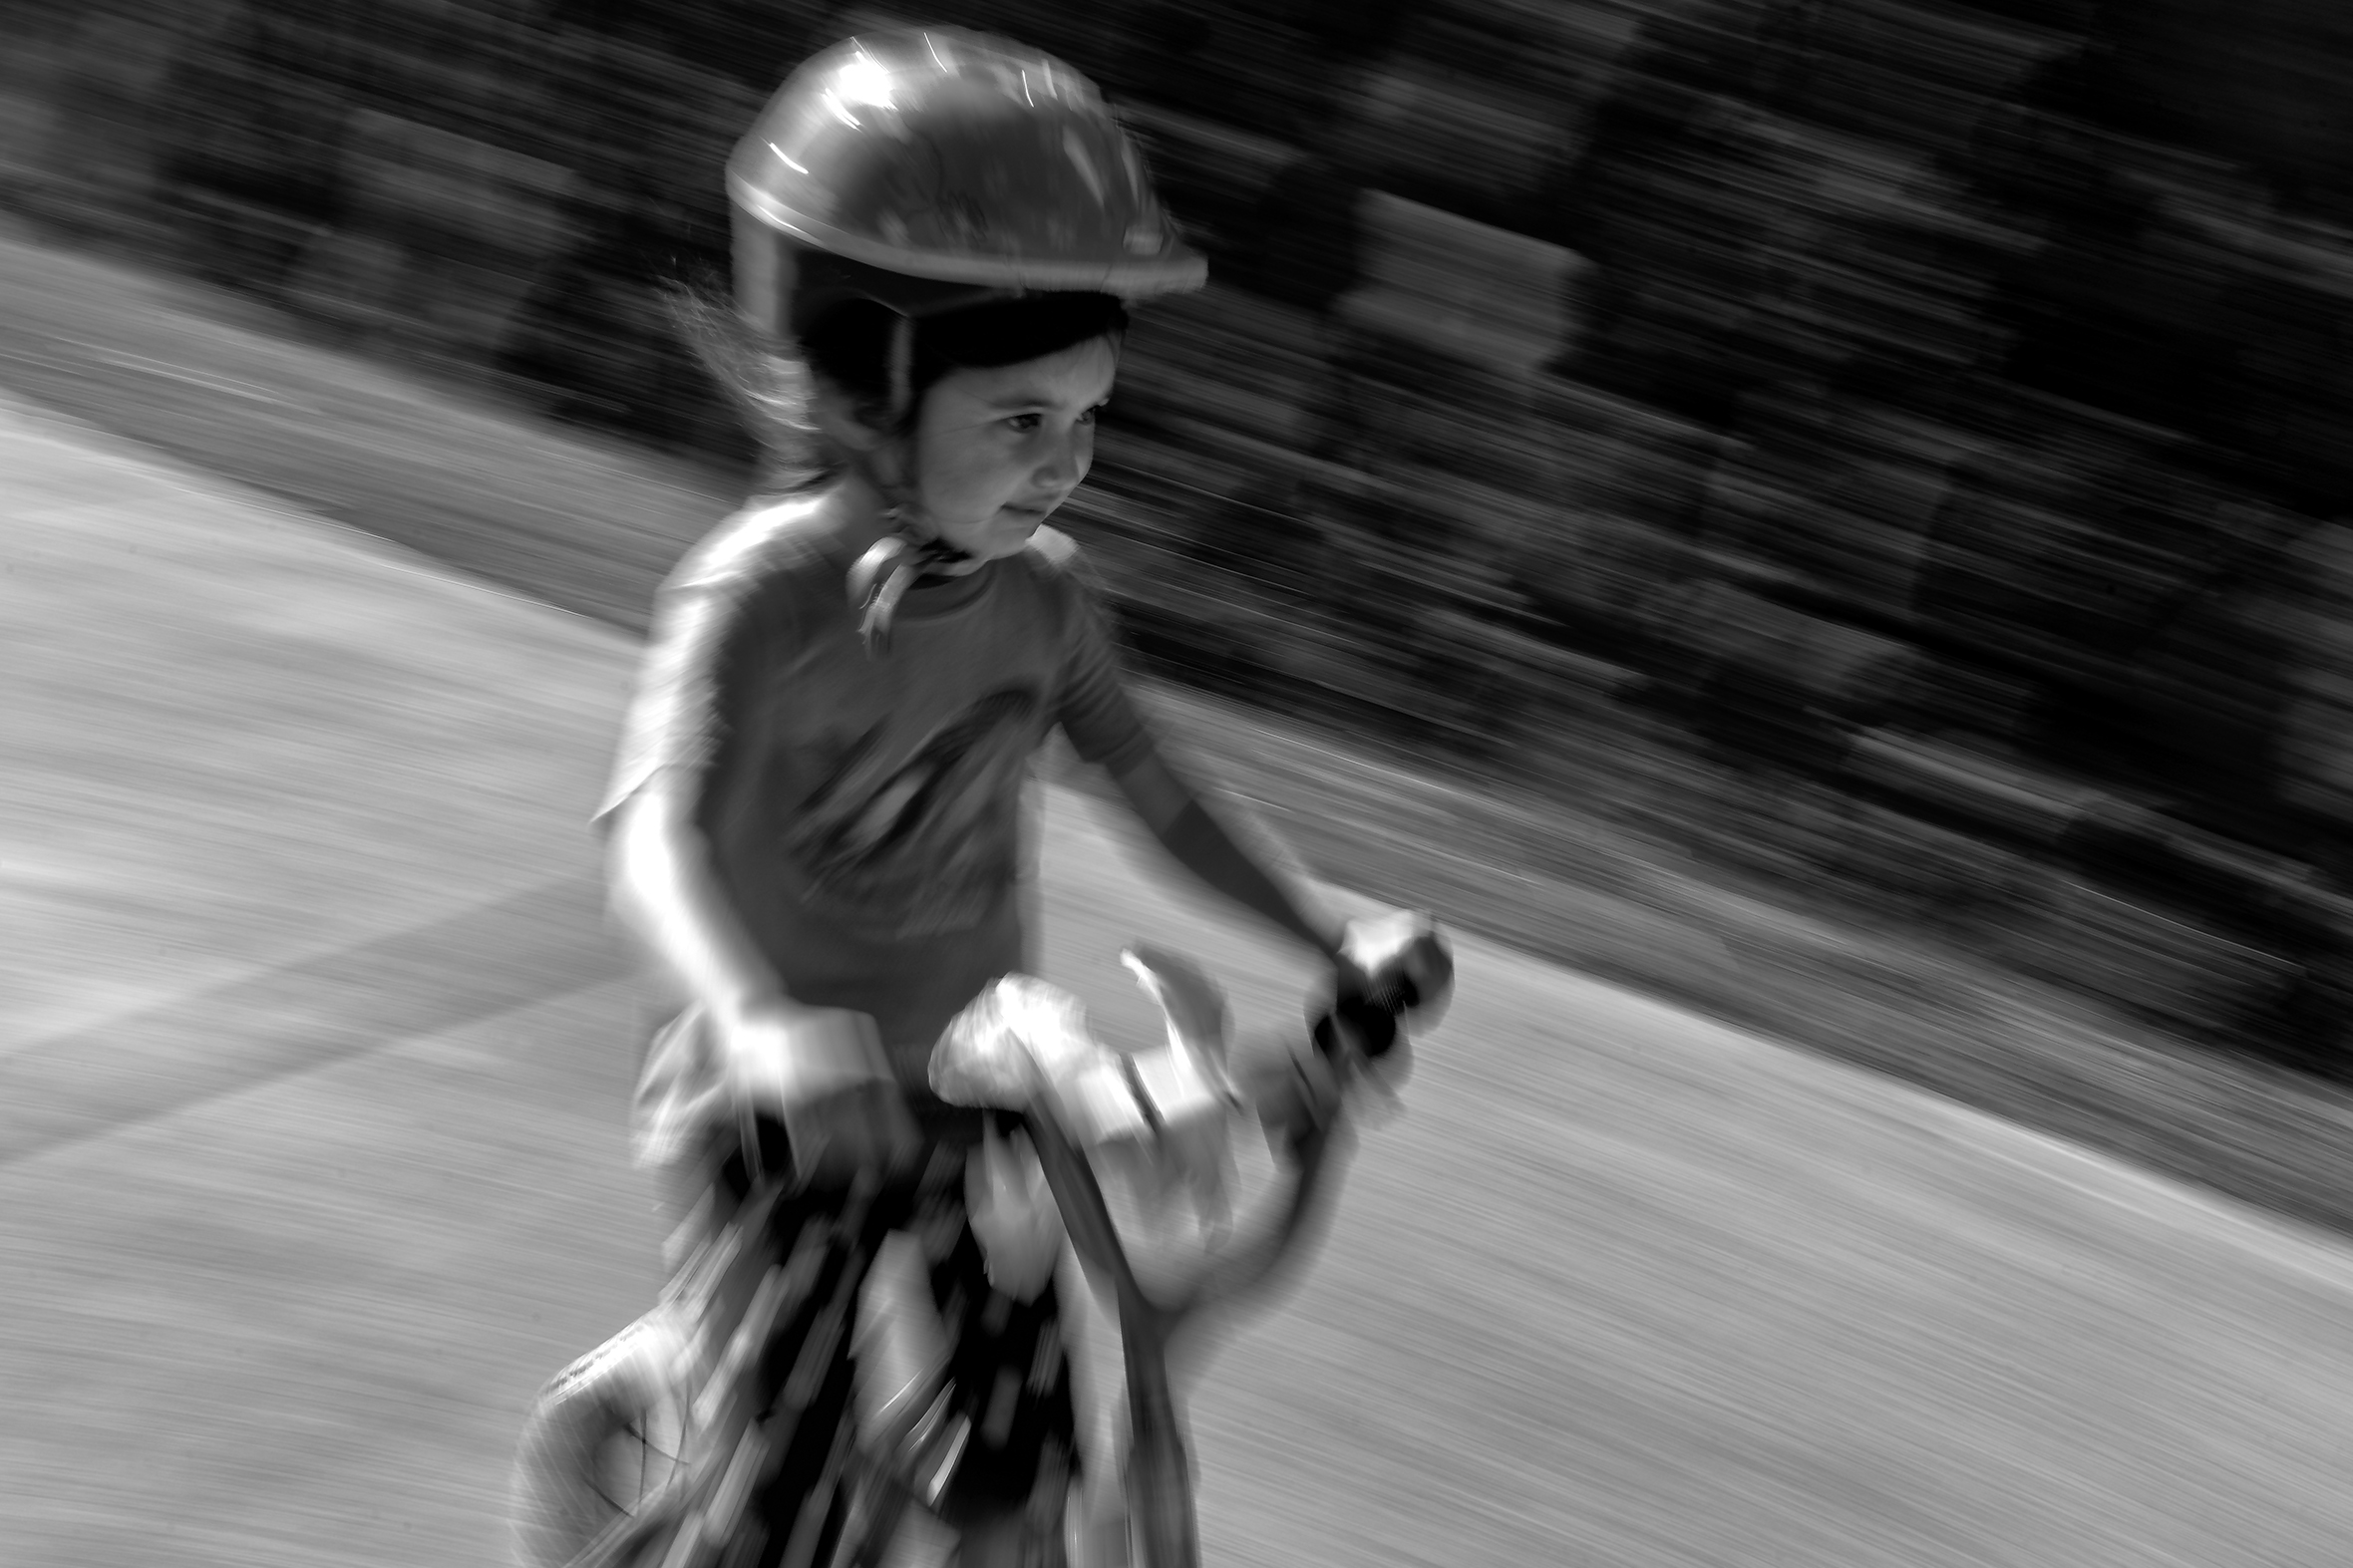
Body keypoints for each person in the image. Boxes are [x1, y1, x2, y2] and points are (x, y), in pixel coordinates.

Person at [513, 27, 1447, 1568]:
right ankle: (698, 1449)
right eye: (1021, 420)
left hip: (976, 1094)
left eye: (1088, 419)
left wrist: (1332, 932)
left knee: (1027, 1459)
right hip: (783, 1122)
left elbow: (1157, 788)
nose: (1066, 464)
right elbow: (654, 840)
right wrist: (753, 1022)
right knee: (788, 1511)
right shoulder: (761, 597)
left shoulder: (1041, 602)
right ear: (866, 381)